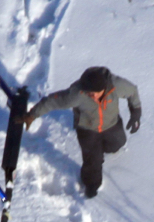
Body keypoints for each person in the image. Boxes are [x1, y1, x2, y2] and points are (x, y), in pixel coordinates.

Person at [24, 66, 141, 198]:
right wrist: (32, 115)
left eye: (94, 93)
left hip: (112, 124)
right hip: (88, 129)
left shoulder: (116, 85)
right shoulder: (78, 94)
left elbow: (132, 91)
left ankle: (104, 149)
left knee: (118, 143)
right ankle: (91, 184)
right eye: (88, 92)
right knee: (92, 161)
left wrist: (135, 112)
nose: (91, 95)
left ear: (103, 88)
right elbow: (53, 101)